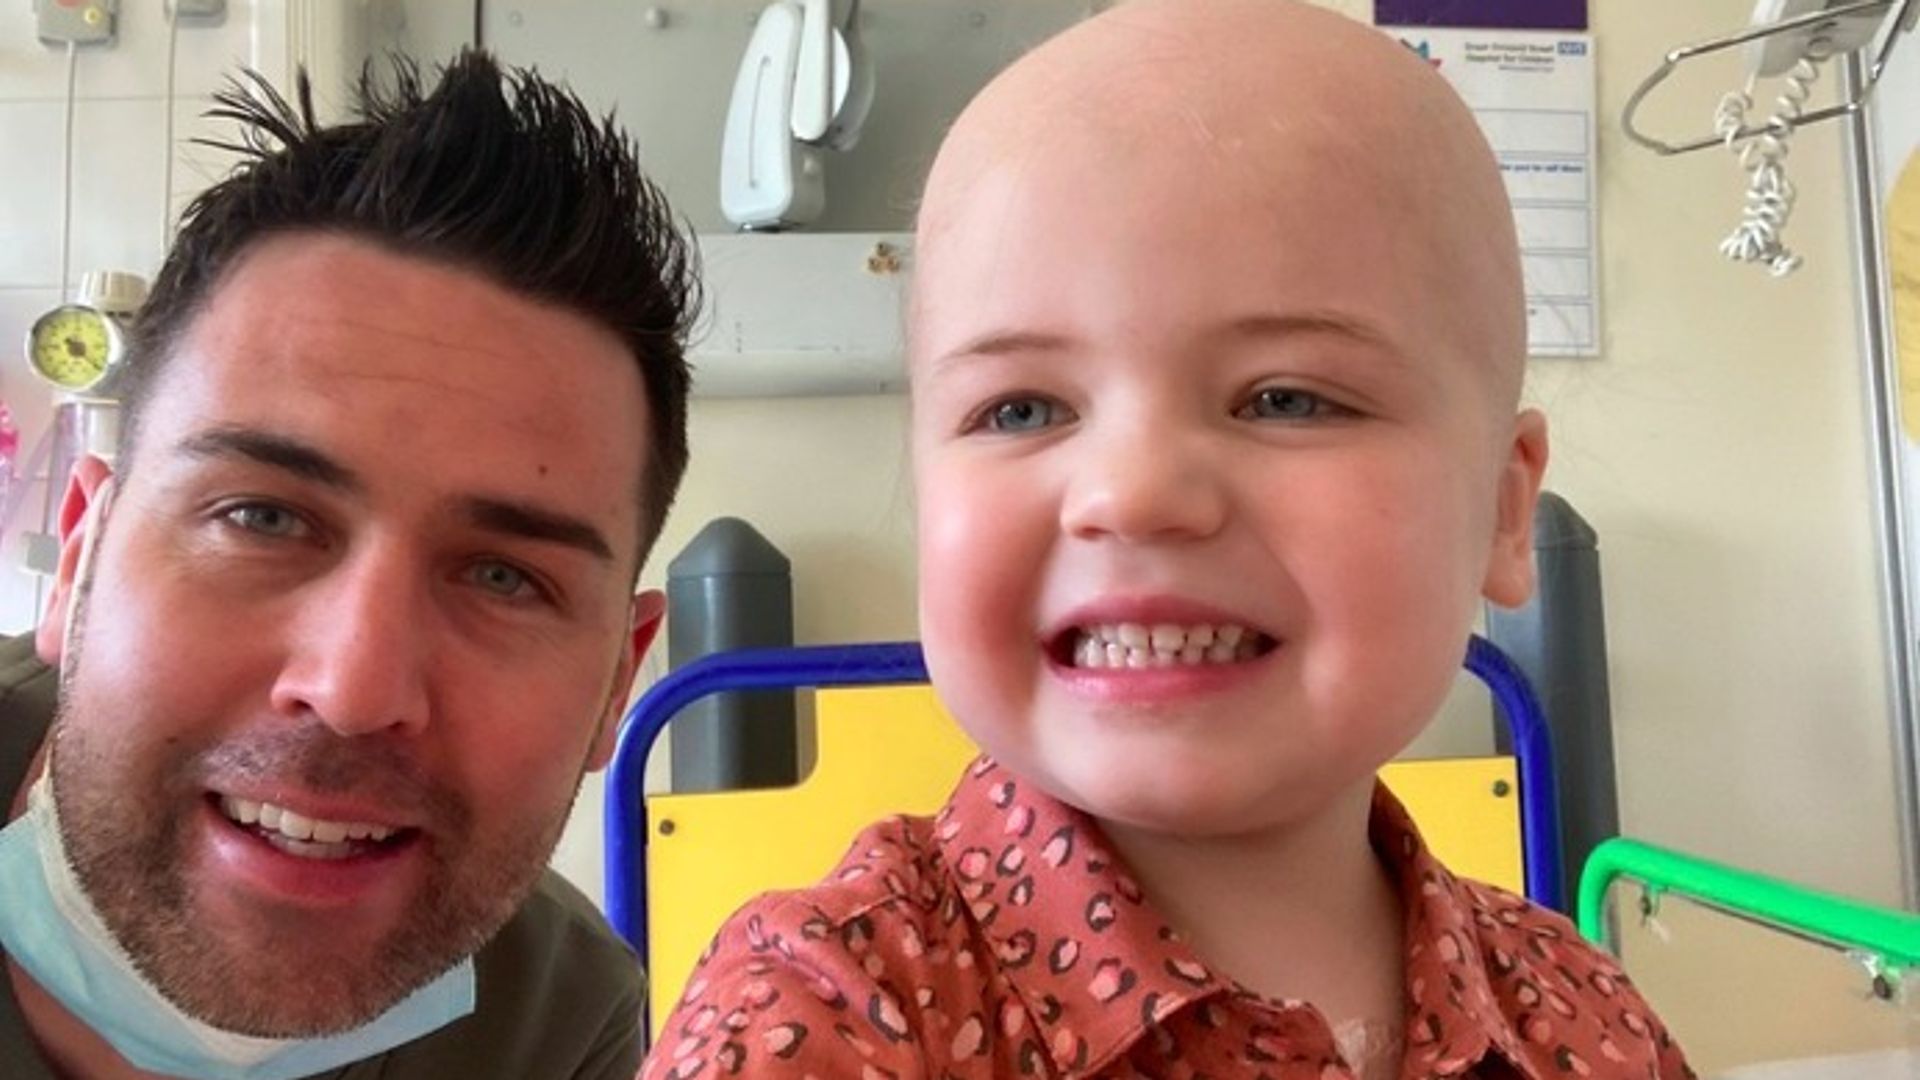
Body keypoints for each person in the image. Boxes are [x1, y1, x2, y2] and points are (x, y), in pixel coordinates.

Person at [641, 2, 1695, 1078]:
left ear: (1505, 514)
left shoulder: (1583, 1014)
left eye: (1286, 399)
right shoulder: (822, 1012)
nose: (1132, 494)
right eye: (1021, 409)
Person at [0, 51, 698, 1080]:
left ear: (615, 686)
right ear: (78, 560)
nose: (354, 689)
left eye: (505, 578)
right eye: (262, 516)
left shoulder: (557, 1027)